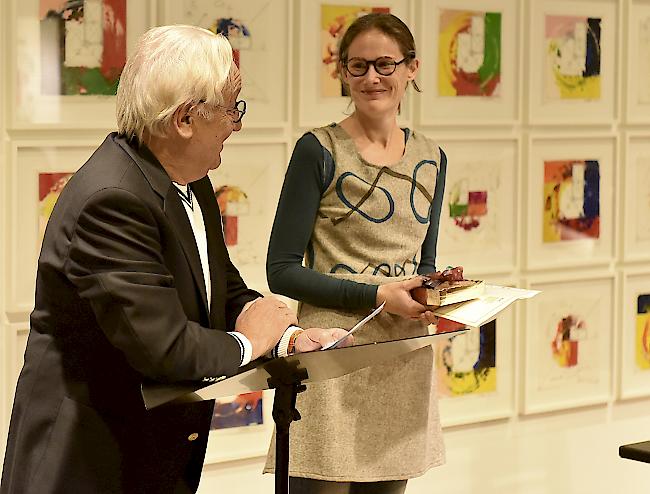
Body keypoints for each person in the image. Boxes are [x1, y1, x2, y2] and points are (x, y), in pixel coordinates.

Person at [0, 25, 348, 494]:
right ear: (185, 119)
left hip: (152, 457)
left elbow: (219, 287)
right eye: (230, 109)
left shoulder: (190, 178)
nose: (236, 124)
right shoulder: (112, 199)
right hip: (88, 465)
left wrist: (288, 337)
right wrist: (249, 343)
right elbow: (164, 349)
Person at [263, 13, 447, 494]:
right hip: (331, 358)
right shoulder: (318, 150)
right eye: (358, 66)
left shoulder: (432, 157)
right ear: (342, 71)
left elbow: (422, 264)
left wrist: (437, 295)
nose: (371, 78)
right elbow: (280, 271)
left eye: (385, 64)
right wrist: (379, 293)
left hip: (402, 359)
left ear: (412, 68)